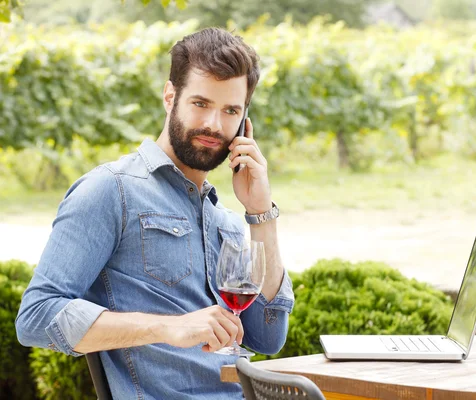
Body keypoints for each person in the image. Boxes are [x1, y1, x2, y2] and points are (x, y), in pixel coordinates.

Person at [15, 27, 294, 399]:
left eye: (230, 110)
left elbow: (268, 336)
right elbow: (36, 317)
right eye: (200, 104)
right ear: (169, 96)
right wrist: (167, 328)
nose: (214, 124)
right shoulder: (111, 191)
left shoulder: (223, 219)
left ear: (245, 123)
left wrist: (261, 212)